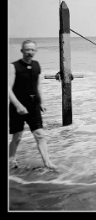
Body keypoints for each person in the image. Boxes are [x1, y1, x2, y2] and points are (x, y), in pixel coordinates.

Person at [9, 40, 57, 170]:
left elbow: (38, 85)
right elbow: (8, 88)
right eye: (27, 50)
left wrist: (41, 102)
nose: (29, 52)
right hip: (16, 108)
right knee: (17, 137)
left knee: (40, 134)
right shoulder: (14, 66)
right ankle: (11, 160)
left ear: (35, 51)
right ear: (22, 51)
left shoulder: (36, 65)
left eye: (32, 50)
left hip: (33, 105)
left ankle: (47, 162)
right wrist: (18, 105)